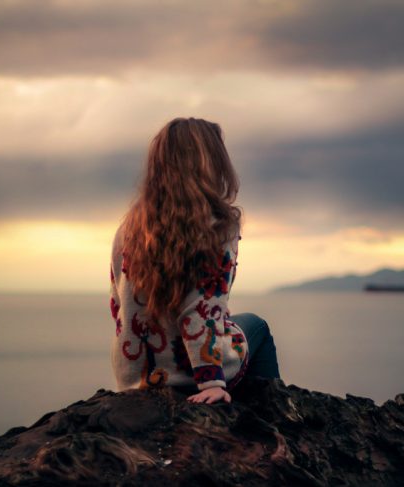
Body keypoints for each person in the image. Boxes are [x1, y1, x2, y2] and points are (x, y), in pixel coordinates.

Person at [109, 117, 280, 405]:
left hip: (136, 378)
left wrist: (131, 380)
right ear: (213, 162)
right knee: (256, 325)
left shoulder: (131, 227)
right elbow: (200, 309)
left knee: (233, 323)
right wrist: (211, 382)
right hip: (190, 376)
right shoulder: (218, 224)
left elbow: (120, 303)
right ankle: (272, 416)